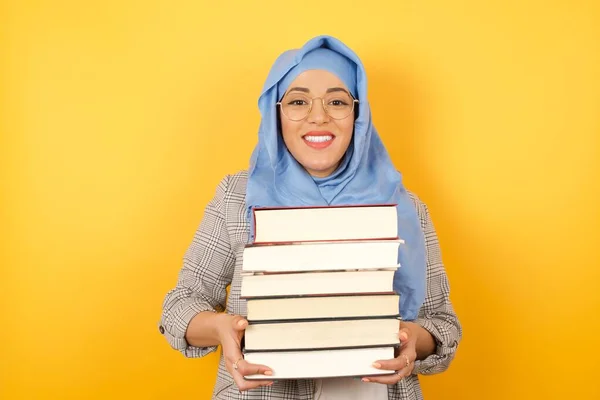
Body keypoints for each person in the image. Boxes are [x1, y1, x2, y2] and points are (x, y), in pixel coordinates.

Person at [159, 35, 462, 400]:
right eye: (298, 101)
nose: (318, 116)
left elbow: (443, 325)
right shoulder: (237, 197)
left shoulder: (404, 207)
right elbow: (179, 305)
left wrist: (414, 340)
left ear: (358, 113)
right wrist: (222, 329)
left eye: (336, 101)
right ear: (276, 113)